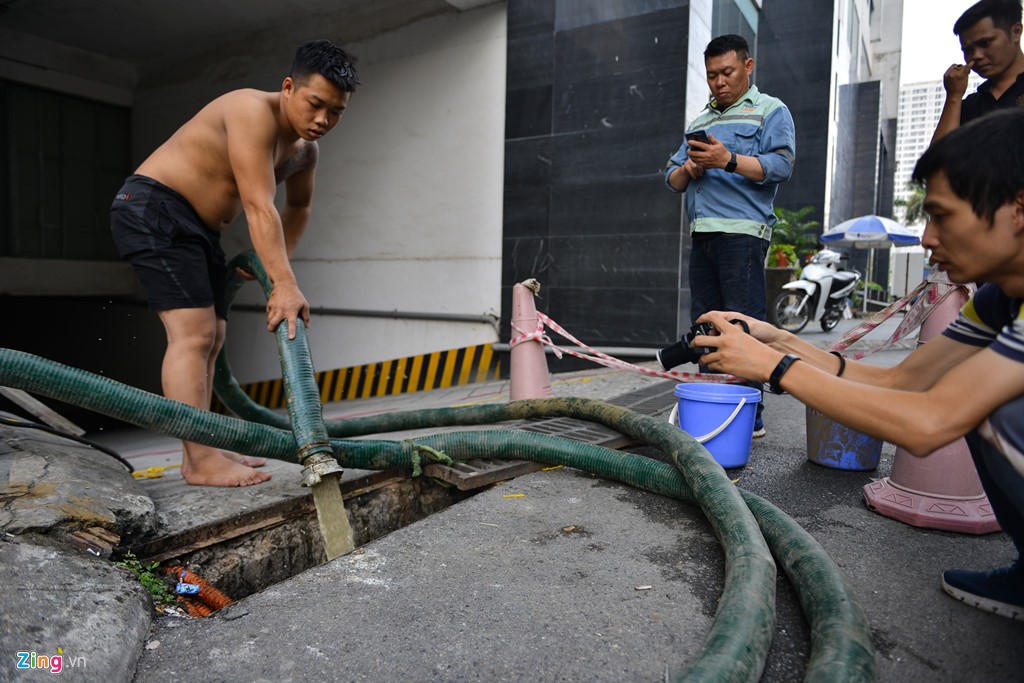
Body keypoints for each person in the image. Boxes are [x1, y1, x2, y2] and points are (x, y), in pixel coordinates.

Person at [694, 108, 1024, 622]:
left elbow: (929, 421)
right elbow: (902, 382)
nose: (929, 239)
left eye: (942, 215)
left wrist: (773, 368)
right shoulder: (1001, 297)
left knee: (994, 408)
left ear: (1018, 209)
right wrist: (776, 339)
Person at [110, 40, 359, 487]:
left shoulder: (305, 151)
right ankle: (199, 460)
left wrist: (274, 271)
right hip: (153, 206)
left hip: (198, 227)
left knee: (215, 334)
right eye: (316, 104)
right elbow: (258, 205)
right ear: (288, 87)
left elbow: (298, 209)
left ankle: (200, 444)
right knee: (195, 333)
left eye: (336, 112)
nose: (323, 120)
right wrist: (282, 283)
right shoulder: (250, 111)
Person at [663, 33, 796, 437]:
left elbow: (781, 166)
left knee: (741, 327)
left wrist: (729, 160)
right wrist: (689, 168)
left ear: (748, 66)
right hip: (702, 234)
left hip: (743, 237)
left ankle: (747, 417)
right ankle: (711, 410)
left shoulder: (771, 110)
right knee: (706, 327)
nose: (719, 82)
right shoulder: (700, 121)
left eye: (727, 72)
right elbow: (670, 178)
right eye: (711, 76)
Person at [931, 0, 1024, 144]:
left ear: (1016, 32)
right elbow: (939, 162)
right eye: (968, 50)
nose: (976, 56)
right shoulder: (970, 106)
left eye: (985, 43)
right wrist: (953, 96)